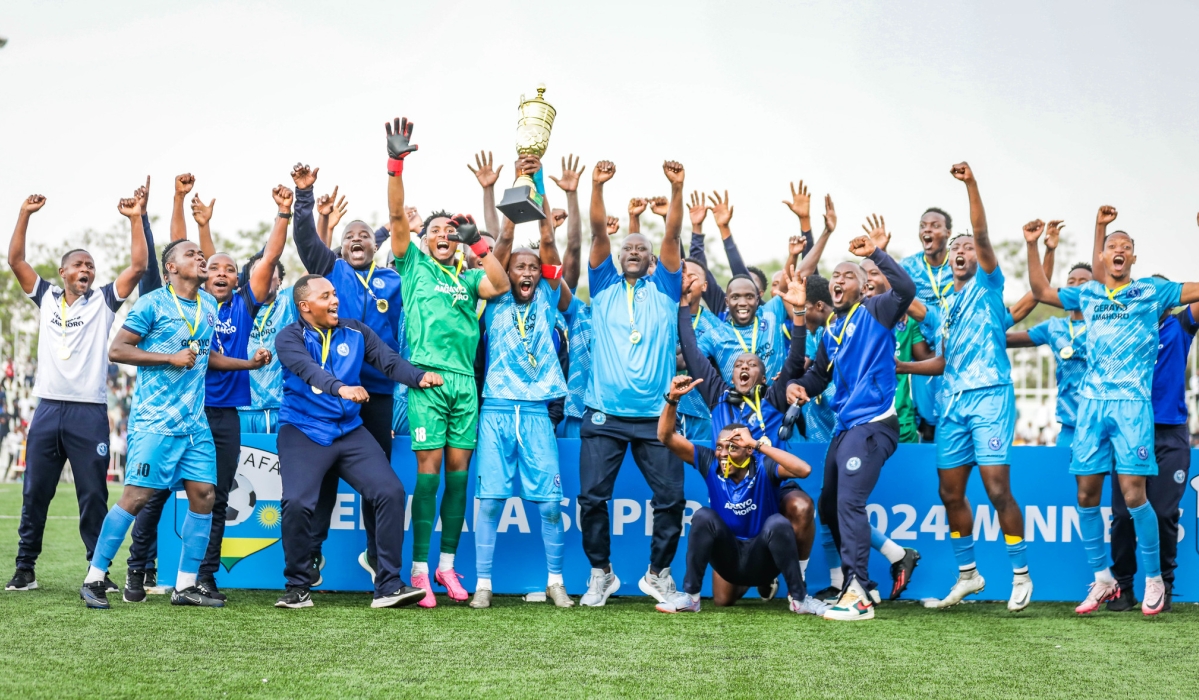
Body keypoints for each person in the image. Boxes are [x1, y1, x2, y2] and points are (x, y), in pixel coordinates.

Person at [1025, 206, 1199, 616]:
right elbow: (1040, 291)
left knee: (1135, 497)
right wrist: (1032, 245)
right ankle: (1104, 579)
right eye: (1111, 247)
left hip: (1132, 408)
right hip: (1090, 408)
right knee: (1086, 496)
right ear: (1103, 257)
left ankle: (1154, 578)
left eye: (1126, 247)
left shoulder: (1151, 293)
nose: (1118, 251)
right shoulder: (1088, 294)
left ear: (1133, 258)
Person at [123, 178, 287, 603]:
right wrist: (182, 207)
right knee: (155, 494)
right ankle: (138, 568)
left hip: (225, 411)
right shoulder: (190, 303)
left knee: (214, 497)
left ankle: (202, 577)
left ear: (240, 280)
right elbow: (182, 248)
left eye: (231, 270)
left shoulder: (241, 305)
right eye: (213, 266)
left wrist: (285, 212)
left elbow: (270, 256)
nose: (221, 273)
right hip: (182, 412)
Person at [85, 233, 263, 609]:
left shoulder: (208, 307)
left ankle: (185, 587)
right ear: (171, 267)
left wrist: (248, 364)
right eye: (192, 255)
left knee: (205, 496)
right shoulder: (153, 304)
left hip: (195, 424)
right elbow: (117, 350)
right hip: (156, 422)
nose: (201, 258)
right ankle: (95, 578)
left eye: (202, 254)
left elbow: (206, 358)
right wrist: (168, 358)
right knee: (137, 498)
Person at [894, 164, 1035, 612]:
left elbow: (982, 232)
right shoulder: (945, 310)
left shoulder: (989, 287)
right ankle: (968, 576)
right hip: (952, 404)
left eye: (967, 247)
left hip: (991, 397)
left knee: (996, 489)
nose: (961, 251)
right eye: (956, 248)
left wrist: (970, 185)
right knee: (950, 493)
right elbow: (937, 356)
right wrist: (900, 364)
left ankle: (1019, 573)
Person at [385, 117, 510, 606]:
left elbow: (498, 283)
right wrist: (395, 165)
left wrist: (477, 240)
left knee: (460, 473)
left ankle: (447, 568)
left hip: (465, 383)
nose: (444, 235)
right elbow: (398, 221)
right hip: (427, 380)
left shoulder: (466, 277)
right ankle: (417, 569)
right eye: (436, 230)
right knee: (430, 470)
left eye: (449, 232)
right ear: (424, 239)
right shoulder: (413, 265)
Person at [4, 187, 148, 593]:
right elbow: (15, 260)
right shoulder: (47, 297)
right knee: (35, 492)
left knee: (92, 495)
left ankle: (95, 570)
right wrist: (23, 214)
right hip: (48, 409)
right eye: (79, 265)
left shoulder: (103, 301)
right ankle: (25, 569)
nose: (87, 269)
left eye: (91, 265)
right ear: (64, 272)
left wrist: (135, 217)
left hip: (88, 411)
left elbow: (137, 266)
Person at [272, 274, 439, 608]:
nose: (335, 300)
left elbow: (389, 361)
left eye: (334, 294)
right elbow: (309, 370)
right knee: (297, 503)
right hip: (304, 430)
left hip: (348, 430)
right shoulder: (288, 338)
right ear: (305, 306)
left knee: (390, 492)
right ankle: (298, 587)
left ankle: (389, 585)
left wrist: (419, 377)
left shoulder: (356, 331)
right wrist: (341, 388)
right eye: (325, 297)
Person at [677, 264, 834, 610]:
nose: (744, 368)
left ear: (763, 376)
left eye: (752, 365)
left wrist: (797, 314)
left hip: (773, 482)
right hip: (737, 497)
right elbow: (691, 351)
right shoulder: (717, 394)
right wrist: (684, 306)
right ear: (729, 374)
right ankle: (762, 572)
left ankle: (798, 582)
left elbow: (795, 360)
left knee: (802, 506)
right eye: (738, 365)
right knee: (723, 600)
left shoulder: (774, 396)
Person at [790, 226, 915, 621]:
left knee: (849, 503)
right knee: (828, 505)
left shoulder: (875, 311)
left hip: (874, 424)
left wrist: (878, 253)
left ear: (864, 288)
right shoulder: (830, 329)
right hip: (847, 428)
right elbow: (820, 376)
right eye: (836, 276)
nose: (839, 280)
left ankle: (858, 594)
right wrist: (801, 388)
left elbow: (907, 290)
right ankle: (857, 585)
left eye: (849, 276)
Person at [577, 158, 686, 607]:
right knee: (591, 499)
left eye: (642, 247)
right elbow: (600, 232)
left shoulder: (666, 288)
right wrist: (597, 188)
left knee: (672, 499)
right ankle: (601, 574)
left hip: (655, 418)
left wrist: (678, 190)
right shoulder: (601, 285)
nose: (634, 250)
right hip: (604, 413)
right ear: (619, 257)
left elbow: (674, 235)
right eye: (629, 247)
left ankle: (658, 574)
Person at [291, 162, 401, 581]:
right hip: (330, 392)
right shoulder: (330, 273)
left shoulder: (394, 278)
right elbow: (304, 239)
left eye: (363, 236)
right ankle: (312, 555)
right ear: (339, 248)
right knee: (323, 479)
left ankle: (377, 557)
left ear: (375, 246)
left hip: (377, 394)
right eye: (348, 236)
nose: (356, 239)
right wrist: (305, 197)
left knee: (380, 483)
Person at [470, 178, 574, 609]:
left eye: (533, 268)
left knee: (550, 504)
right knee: (491, 500)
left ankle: (555, 581)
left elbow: (549, 242)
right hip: (495, 409)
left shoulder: (548, 296)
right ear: (506, 273)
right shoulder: (493, 299)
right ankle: (483, 584)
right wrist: (514, 195)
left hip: (535, 413)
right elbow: (505, 241)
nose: (527, 272)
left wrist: (539, 193)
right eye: (519, 267)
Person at [655, 377, 825, 615]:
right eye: (720, 447)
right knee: (703, 517)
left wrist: (758, 444)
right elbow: (666, 437)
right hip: (730, 560)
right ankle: (691, 597)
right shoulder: (709, 461)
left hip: (763, 560)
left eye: (732, 447)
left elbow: (804, 470)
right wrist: (672, 400)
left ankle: (799, 599)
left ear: (748, 449)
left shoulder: (763, 465)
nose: (723, 453)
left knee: (777, 523)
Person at [1107, 267, 1199, 613]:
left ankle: (1164, 585)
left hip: (1170, 433)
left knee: (1162, 513)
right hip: (1130, 429)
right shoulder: (1125, 329)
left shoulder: (1182, 325)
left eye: (1162, 292)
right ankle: (1124, 587)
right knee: (1122, 515)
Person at [1007, 221, 1089, 447]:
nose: (1076, 286)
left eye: (1084, 282)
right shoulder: (1054, 327)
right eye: (1071, 282)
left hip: (1103, 424)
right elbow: (1040, 290)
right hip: (1069, 426)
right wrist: (1042, 248)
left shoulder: (1107, 324)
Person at [899, 203, 956, 441]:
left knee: (952, 417)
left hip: (954, 346)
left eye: (935, 225)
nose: (927, 230)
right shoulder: (908, 266)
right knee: (926, 420)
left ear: (948, 233)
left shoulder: (959, 264)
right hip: (922, 348)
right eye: (923, 226)